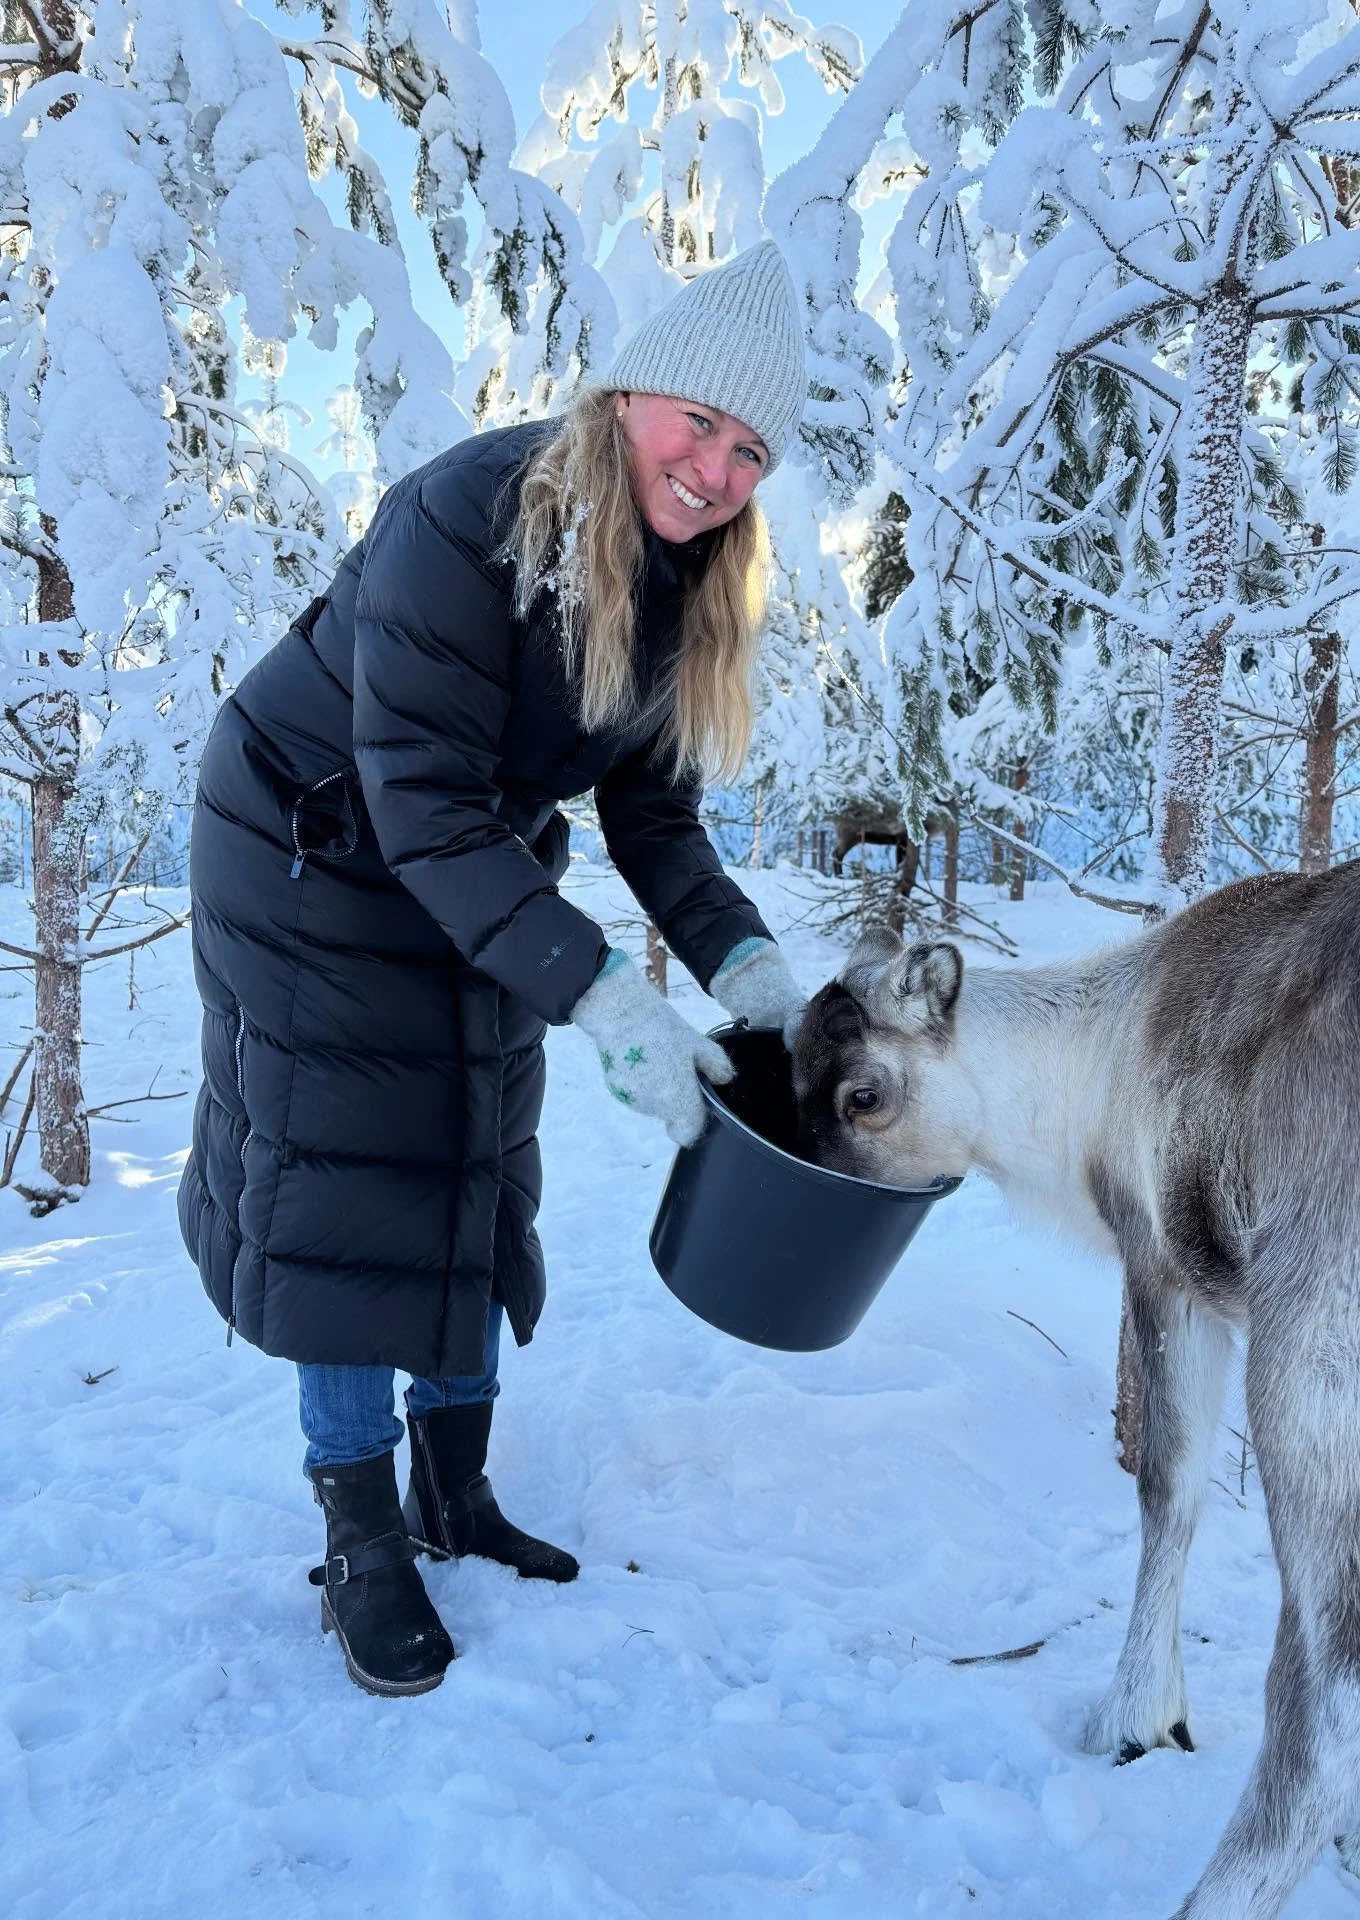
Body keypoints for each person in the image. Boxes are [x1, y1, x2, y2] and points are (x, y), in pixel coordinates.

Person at [178, 241, 812, 1696]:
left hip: (461, 851)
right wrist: (598, 989)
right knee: (354, 1167)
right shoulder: (465, 520)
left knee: (477, 1135)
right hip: (302, 842)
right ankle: (358, 1537)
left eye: (750, 450)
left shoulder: (688, 583)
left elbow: (651, 815)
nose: (715, 471)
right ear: (628, 394)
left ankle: (452, 1490)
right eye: (697, 424)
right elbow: (417, 795)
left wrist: (751, 975)